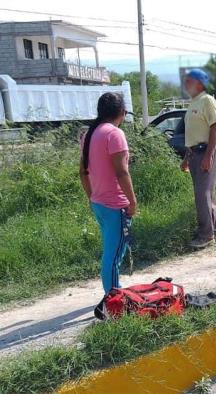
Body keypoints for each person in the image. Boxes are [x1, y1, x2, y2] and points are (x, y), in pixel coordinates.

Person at [79, 92, 136, 299]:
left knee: (111, 250)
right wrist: (132, 201)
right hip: (115, 205)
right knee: (113, 256)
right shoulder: (114, 134)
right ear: (121, 112)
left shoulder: (89, 134)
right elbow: (122, 172)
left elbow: (83, 171)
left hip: (99, 203)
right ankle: (113, 300)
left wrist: (91, 196)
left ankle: (113, 292)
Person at [180, 69, 216, 249]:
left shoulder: (207, 101)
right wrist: (186, 157)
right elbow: (194, 134)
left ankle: (206, 235)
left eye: (189, 80)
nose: (185, 84)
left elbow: (215, 128)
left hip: (206, 152)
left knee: (201, 195)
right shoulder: (193, 103)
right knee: (207, 195)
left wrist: (208, 155)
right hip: (195, 153)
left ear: (199, 83)